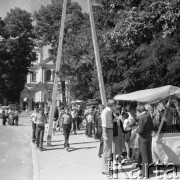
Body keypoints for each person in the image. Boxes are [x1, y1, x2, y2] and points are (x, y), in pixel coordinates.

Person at [135, 105, 153, 178]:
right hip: (149, 136)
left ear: (139, 111)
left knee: (144, 155)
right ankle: (150, 171)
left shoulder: (141, 118)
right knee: (149, 154)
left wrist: (135, 130)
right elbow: (152, 125)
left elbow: (140, 130)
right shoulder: (148, 115)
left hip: (143, 137)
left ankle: (145, 174)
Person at [101, 99, 115, 175]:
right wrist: (104, 134)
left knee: (108, 150)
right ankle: (105, 169)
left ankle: (107, 168)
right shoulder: (106, 112)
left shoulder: (109, 111)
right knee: (107, 151)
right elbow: (104, 124)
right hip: (107, 131)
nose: (116, 106)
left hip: (110, 130)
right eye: (115, 105)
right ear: (112, 105)